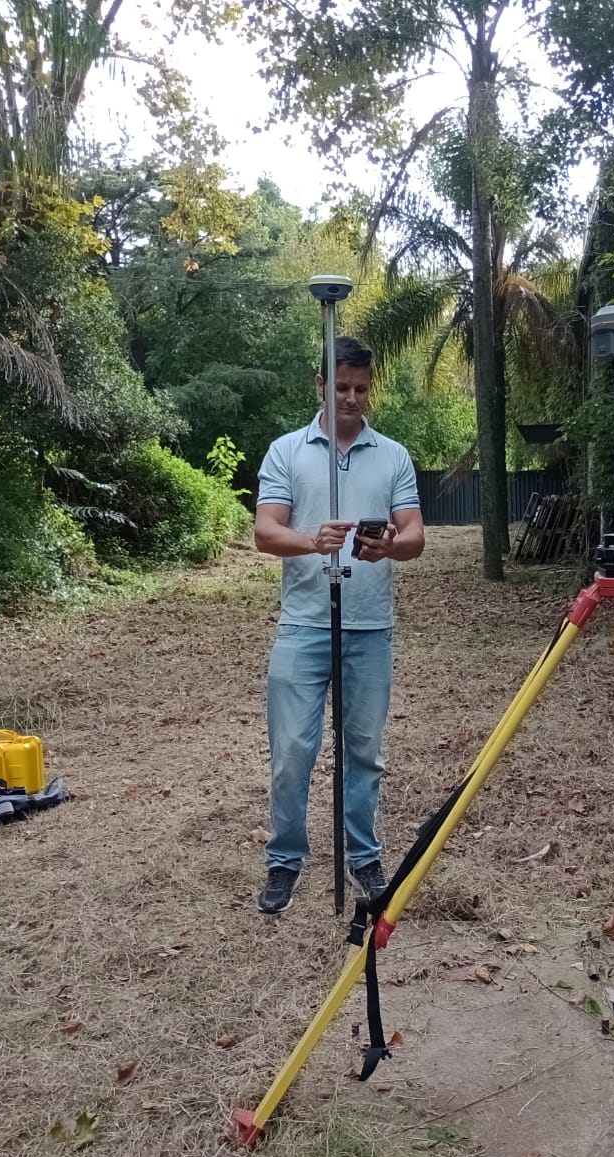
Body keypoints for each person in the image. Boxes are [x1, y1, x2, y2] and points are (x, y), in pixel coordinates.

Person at [253, 336, 425, 914]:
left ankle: (363, 855)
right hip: (303, 624)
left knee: (364, 751)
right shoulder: (287, 451)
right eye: (341, 386)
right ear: (320, 383)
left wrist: (391, 548)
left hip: (369, 627)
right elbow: (265, 531)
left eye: (360, 388)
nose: (351, 397)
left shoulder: (393, 455)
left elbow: (416, 535)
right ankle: (284, 861)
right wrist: (311, 539)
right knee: (292, 750)